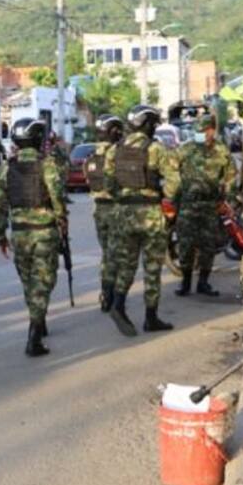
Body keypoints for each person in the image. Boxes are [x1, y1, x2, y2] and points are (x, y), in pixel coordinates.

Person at [103, 103, 181, 336]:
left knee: (126, 265)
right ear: (146, 124)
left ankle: (118, 305)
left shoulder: (113, 150)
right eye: (153, 124)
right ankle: (150, 317)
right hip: (149, 214)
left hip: (122, 216)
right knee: (152, 267)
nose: (155, 128)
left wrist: (124, 200)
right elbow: (174, 182)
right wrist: (164, 198)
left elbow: (108, 186)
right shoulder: (156, 149)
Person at [0, 117, 66, 356]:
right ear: (36, 139)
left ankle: (39, 320)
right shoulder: (48, 165)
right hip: (44, 234)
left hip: (20, 234)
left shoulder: (6, 167)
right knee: (44, 283)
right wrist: (63, 223)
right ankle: (34, 336)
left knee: (29, 282)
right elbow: (58, 199)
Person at [174, 113, 236, 298]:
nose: (202, 134)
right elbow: (172, 173)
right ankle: (185, 282)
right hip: (188, 204)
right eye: (198, 131)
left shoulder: (221, 150)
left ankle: (203, 282)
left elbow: (231, 175)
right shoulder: (185, 150)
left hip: (211, 205)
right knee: (185, 245)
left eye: (205, 130)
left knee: (208, 246)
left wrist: (227, 199)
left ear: (212, 130)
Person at [87, 114, 123, 311]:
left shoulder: (92, 157)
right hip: (116, 209)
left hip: (99, 210)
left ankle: (106, 293)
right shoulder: (118, 155)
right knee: (118, 255)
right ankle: (114, 296)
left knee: (107, 254)